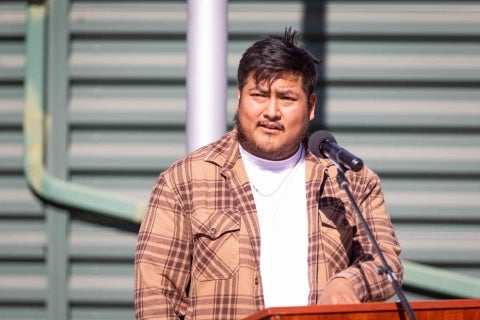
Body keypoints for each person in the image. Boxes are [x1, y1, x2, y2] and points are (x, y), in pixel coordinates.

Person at [134, 29, 403, 320]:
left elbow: (386, 261)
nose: (271, 111)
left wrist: (347, 282)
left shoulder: (351, 181)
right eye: (259, 95)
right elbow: (156, 294)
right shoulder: (184, 181)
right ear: (239, 97)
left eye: (287, 98)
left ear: (310, 106)